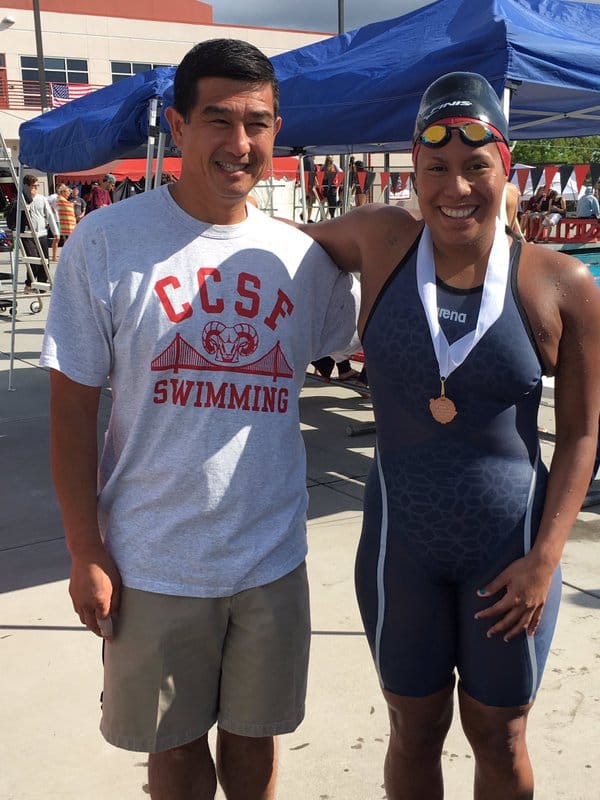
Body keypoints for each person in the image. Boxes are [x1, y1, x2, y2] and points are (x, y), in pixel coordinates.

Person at [40, 38, 358, 800]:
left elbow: (386, 341)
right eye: (218, 120)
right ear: (178, 128)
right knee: (175, 755)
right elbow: (72, 413)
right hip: (153, 561)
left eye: (258, 122)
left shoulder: (300, 258)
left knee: (256, 744)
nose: (239, 143)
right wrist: (85, 547)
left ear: (277, 130)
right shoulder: (107, 244)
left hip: (271, 557)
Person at [298, 72, 600, 799]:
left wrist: (545, 559)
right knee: (414, 729)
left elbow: (585, 436)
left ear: (506, 168)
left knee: (500, 737)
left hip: (510, 555)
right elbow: (260, 246)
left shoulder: (559, 284)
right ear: (414, 170)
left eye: (476, 167)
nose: (455, 188)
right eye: (436, 169)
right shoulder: (380, 240)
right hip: (401, 548)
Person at [21, 174, 59, 291]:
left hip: (42, 233)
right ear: (26, 186)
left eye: (37, 186)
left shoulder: (42, 199)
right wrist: (28, 198)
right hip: (27, 234)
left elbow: (49, 215)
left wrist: (55, 232)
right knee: (33, 259)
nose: (36, 188)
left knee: (44, 261)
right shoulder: (21, 199)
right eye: (33, 186)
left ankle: (42, 285)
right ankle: (29, 283)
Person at [299, 153, 317, 222]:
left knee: (307, 200)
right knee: (310, 201)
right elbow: (312, 173)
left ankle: (303, 212)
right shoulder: (310, 161)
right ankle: (308, 218)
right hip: (310, 184)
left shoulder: (302, 159)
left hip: (304, 183)